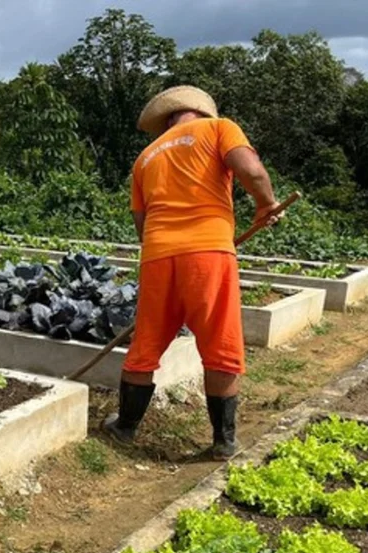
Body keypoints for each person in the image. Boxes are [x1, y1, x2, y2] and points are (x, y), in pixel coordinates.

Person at [104, 86, 285, 459]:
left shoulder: (145, 157)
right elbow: (251, 170)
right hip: (208, 251)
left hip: (157, 255)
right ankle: (223, 442)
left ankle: (125, 428)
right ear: (203, 112)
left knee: (146, 345)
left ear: (168, 120)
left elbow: (141, 223)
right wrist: (266, 205)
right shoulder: (219, 129)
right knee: (220, 344)